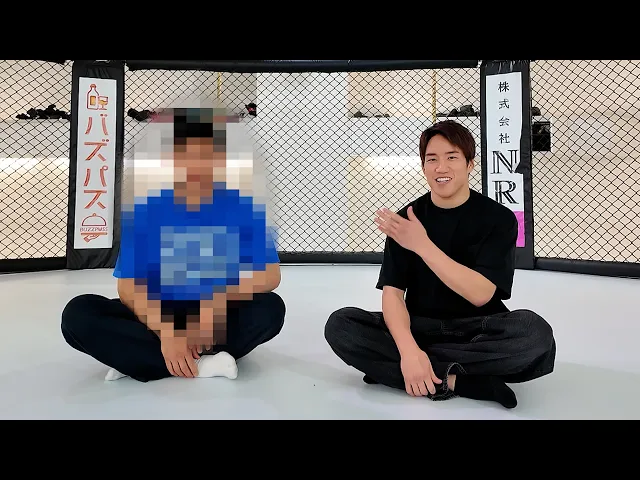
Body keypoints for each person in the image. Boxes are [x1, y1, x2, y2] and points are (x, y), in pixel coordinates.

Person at [324, 120, 555, 409]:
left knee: (534, 335)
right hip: (420, 327)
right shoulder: (406, 220)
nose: (441, 167)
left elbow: (481, 294)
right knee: (341, 326)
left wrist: (422, 244)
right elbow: (393, 294)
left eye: (452, 157)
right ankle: (460, 380)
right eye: (431, 159)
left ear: (470, 164)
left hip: (478, 329)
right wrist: (409, 350)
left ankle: (404, 371)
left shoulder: (498, 219)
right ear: (423, 166)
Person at [61, 106, 285, 383]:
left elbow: (269, 275)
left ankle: (133, 358)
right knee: (78, 314)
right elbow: (129, 287)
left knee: (269, 309)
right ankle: (200, 362)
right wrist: (168, 331)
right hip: (157, 308)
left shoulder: (244, 208)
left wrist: (211, 301)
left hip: (218, 309)